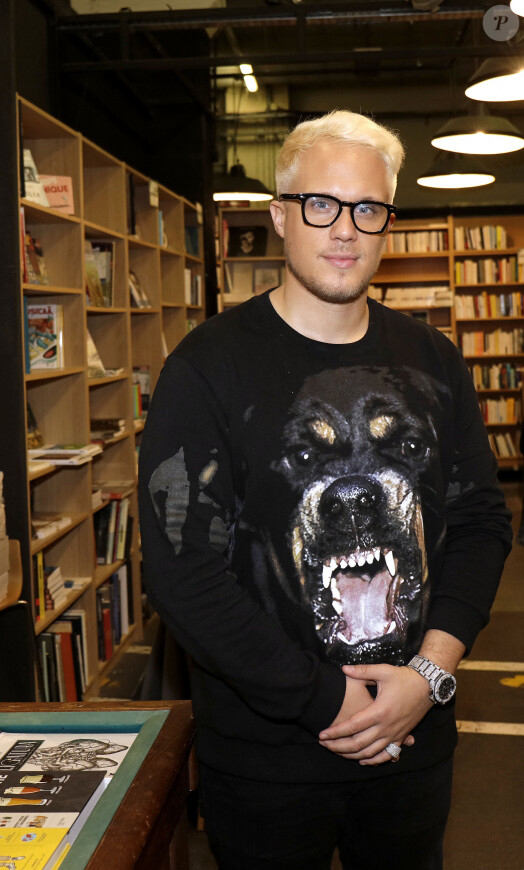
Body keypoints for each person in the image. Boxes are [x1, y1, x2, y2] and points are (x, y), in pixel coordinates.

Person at [138, 110, 512, 870]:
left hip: (415, 740)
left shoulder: (435, 361)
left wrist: (429, 674)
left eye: (367, 209)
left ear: (387, 225)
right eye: (322, 205)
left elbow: (479, 521)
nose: (344, 229)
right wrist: (324, 699)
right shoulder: (205, 369)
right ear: (280, 215)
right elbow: (184, 574)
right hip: (263, 762)